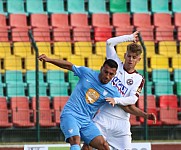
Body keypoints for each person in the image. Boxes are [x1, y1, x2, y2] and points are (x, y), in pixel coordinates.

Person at [82, 31, 156, 150]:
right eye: (129, 56)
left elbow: (132, 99)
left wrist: (115, 100)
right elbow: (109, 43)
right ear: (125, 55)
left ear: (139, 59)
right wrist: (129, 37)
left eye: (134, 57)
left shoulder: (138, 79)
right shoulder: (115, 64)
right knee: (87, 146)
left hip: (121, 123)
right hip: (104, 117)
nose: (130, 60)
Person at [38, 54, 123, 150]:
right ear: (101, 69)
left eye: (111, 74)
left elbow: (125, 105)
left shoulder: (113, 91)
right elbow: (68, 66)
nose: (107, 76)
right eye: (105, 72)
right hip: (71, 115)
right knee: (75, 141)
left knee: (104, 146)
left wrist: (142, 113)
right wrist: (49, 60)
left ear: (114, 75)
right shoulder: (87, 73)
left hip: (86, 121)